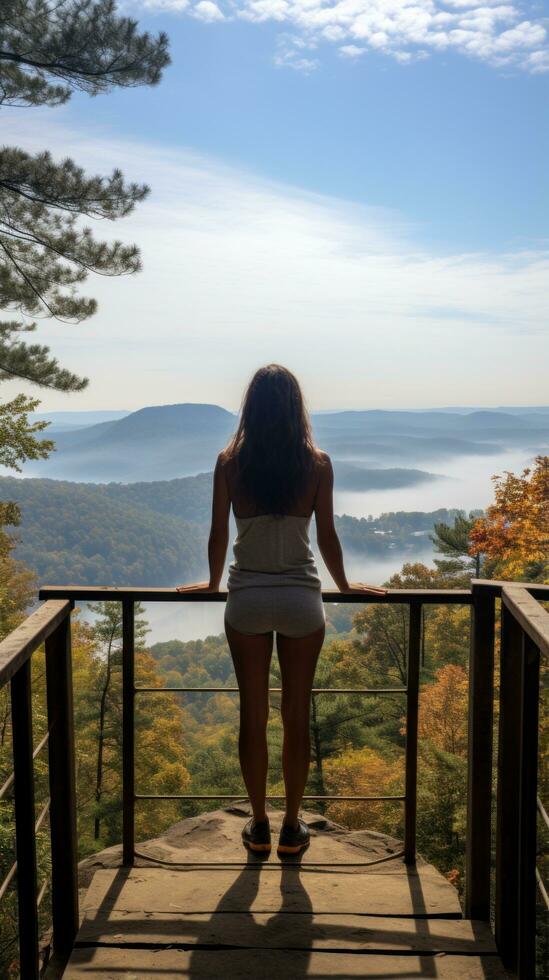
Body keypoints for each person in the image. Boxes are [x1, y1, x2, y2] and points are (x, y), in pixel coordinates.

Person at [177, 364, 387, 856]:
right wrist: (345, 586)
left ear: (251, 406)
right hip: (301, 599)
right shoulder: (317, 464)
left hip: (246, 598)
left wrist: (211, 584)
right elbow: (328, 536)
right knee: (296, 713)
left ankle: (257, 825)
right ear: (297, 407)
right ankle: (293, 826)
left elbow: (218, 534)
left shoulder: (229, 463)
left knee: (253, 716)